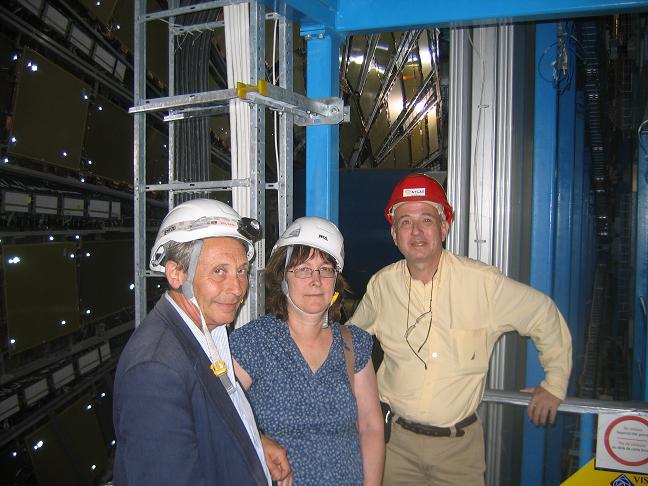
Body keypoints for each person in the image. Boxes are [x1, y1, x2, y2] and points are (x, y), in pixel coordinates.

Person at [349, 173, 572, 486]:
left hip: (459, 450)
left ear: (444, 227)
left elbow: (542, 314)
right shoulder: (382, 286)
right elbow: (350, 342)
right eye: (405, 222)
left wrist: (555, 382)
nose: (416, 232)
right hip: (394, 444)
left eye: (427, 219)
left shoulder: (482, 284)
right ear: (394, 234)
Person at [113, 198, 292, 486]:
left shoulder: (207, 332)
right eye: (219, 271)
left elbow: (210, 418)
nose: (237, 288)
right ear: (176, 274)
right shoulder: (155, 370)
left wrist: (254, 444)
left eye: (241, 271)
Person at [230, 216, 385, 486]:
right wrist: (259, 438)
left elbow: (371, 427)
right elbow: (220, 414)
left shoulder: (353, 344)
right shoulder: (253, 343)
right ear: (283, 278)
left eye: (325, 269)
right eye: (302, 269)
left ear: (335, 281)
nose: (316, 280)